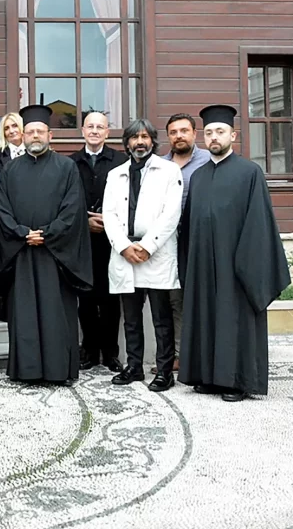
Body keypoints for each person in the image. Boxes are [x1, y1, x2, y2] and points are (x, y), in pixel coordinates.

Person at [177, 105, 290, 402]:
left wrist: (244, 263)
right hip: (203, 264)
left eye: (221, 132)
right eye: (210, 133)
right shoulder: (199, 176)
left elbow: (259, 223)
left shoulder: (249, 173)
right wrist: (188, 264)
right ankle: (207, 377)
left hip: (236, 264)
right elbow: (190, 225)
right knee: (205, 316)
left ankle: (237, 381)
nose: (214, 137)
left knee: (233, 318)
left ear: (233, 135)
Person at [0, 104, 92, 387]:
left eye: (40, 131)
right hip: (22, 254)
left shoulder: (66, 167)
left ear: (50, 135)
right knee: (23, 314)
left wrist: (47, 234)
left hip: (55, 257)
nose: (35, 136)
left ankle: (59, 370)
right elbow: (3, 208)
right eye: (30, 132)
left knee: (56, 314)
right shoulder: (10, 170)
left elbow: (72, 210)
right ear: (23, 136)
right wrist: (22, 233)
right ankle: (27, 370)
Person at [102, 119, 182, 392]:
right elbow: (109, 214)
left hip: (155, 254)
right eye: (134, 138)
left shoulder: (169, 171)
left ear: (153, 142)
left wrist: (147, 246)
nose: (140, 142)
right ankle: (134, 366)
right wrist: (124, 246)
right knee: (132, 317)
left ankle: (164, 371)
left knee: (161, 318)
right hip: (126, 254)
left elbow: (171, 214)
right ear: (126, 143)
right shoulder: (116, 174)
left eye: (145, 137)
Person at [70, 111, 127, 373]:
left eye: (100, 127)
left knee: (110, 298)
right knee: (86, 298)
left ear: (107, 132)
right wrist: (84, 221)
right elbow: (65, 201)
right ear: (82, 130)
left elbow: (129, 198)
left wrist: (108, 219)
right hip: (81, 241)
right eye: (90, 126)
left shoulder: (120, 161)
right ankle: (89, 350)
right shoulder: (71, 163)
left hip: (112, 239)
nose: (94, 131)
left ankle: (111, 352)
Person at [159, 113, 212, 372]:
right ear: (168, 136)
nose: (179, 136)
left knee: (200, 297)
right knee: (173, 299)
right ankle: (177, 355)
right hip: (167, 242)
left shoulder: (208, 161)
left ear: (194, 133)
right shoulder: (159, 164)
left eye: (184, 130)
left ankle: (203, 354)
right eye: (173, 132)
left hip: (199, 240)